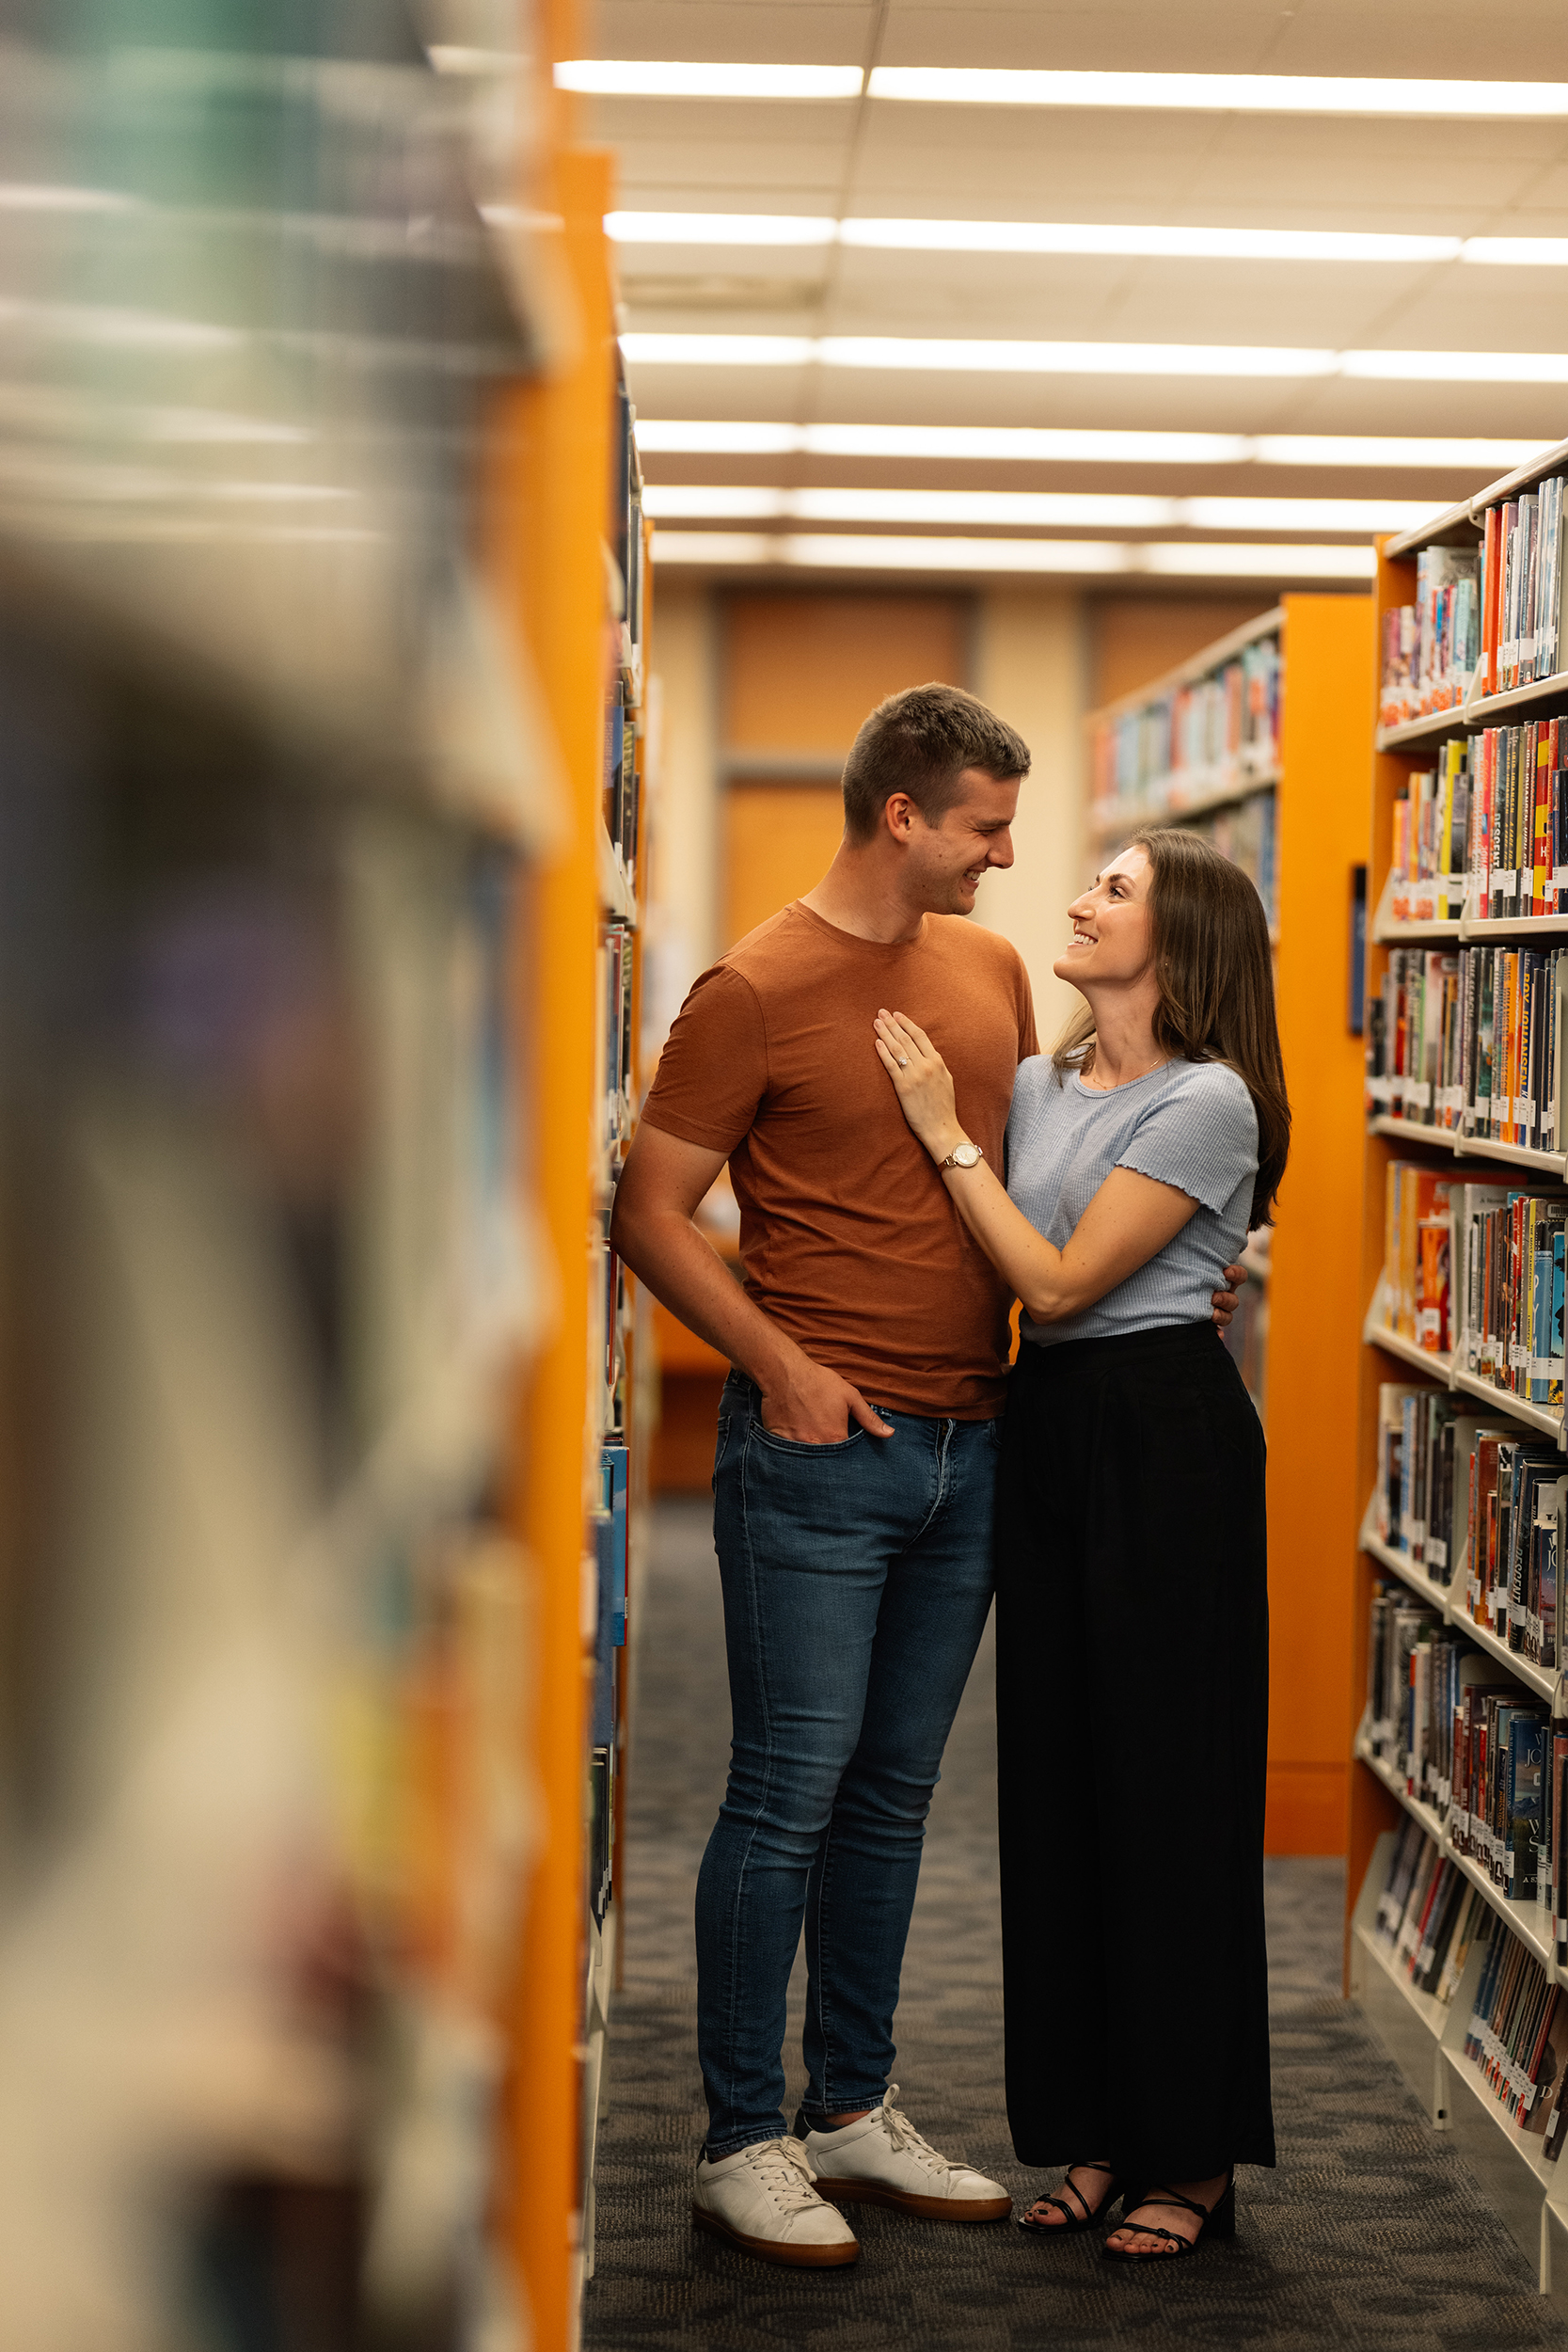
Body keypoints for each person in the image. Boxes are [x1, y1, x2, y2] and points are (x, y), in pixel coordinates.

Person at [612, 686, 1247, 2269]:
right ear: (905, 814)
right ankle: (741, 2135)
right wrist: (778, 1365)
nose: (1012, 858)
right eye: (986, 826)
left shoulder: (984, 970)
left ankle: (851, 2105)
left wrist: (1193, 1266)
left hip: (986, 1449)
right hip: (824, 1448)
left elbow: (1081, 1167)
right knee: (786, 1793)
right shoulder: (749, 988)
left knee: (894, 1799)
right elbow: (650, 1212)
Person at [873, 824, 1286, 2263]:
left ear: (1182, 943)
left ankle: (1194, 2155)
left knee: (1168, 1793)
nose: (1077, 898)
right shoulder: (1040, 1084)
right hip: (1044, 1432)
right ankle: (1097, 2133)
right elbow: (1026, 1264)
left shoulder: (1211, 1100)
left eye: (1115, 889)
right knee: (1056, 1788)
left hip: (1162, 1442)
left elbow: (1050, 1280)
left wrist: (942, 1137)